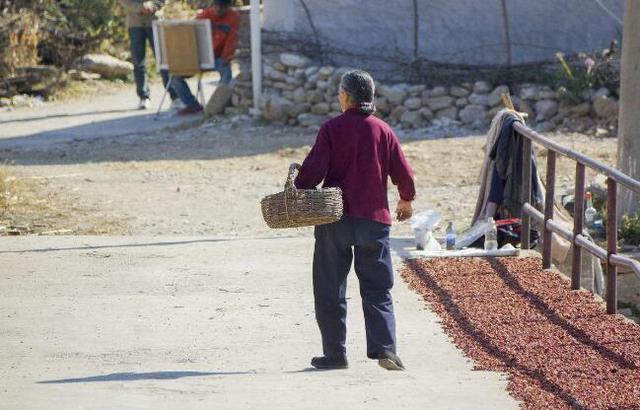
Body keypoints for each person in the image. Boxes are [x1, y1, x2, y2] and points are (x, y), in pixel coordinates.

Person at [294, 70, 416, 371]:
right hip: (374, 221)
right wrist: (406, 198)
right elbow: (403, 173)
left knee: (329, 287)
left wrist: (299, 189)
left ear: (346, 95)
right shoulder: (383, 130)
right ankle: (385, 350)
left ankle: (335, 355)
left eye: (340, 92)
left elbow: (312, 173)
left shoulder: (332, 129)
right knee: (377, 288)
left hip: (334, 220)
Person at [170, 0, 239, 115]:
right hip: (199, 57)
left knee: (226, 71)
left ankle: (220, 103)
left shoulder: (233, 17)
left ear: (228, 7)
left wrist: (226, 56)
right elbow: (190, 34)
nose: (218, 9)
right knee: (175, 76)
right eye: (216, 6)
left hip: (218, 57)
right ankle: (192, 105)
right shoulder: (205, 15)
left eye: (222, 7)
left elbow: (232, 40)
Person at [118, 0, 179, 110]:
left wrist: (153, 5)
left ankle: (175, 96)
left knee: (163, 60)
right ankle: (144, 96)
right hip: (135, 23)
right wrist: (140, 7)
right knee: (138, 61)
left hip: (155, 21)